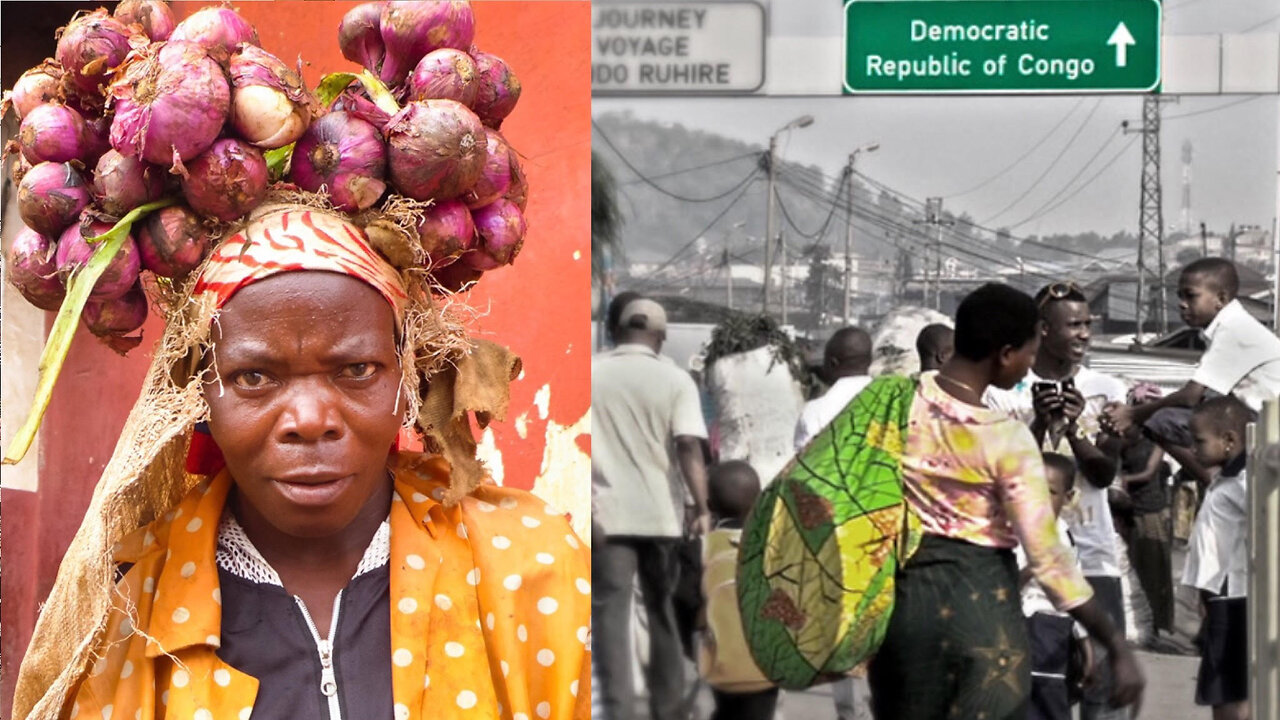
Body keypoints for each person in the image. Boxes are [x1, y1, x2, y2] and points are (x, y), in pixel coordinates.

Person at [13, 205, 591, 720]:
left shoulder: (531, 562)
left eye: (356, 370)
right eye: (255, 377)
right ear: (199, 395)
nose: (310, 419)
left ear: (408, 378)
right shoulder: (130, 613)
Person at [867, 283, 1144, 720]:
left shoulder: (892, 401)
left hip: (904, 613)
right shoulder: (1004, 436)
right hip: (982, 615)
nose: (1032, 365)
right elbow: (1047, 556)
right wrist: (1111, 642)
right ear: (1006, 353)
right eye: (1030, 354)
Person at [985, 280, 1130, 720]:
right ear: (1043, 329)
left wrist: (1070, 429)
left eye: (1088, 324)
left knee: (1101, 690)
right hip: (1022, 562)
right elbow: (1000, 475)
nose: (1085, 333)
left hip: (1093, 557)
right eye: (1074, 325)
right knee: (1029, 690)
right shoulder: (1003, 389)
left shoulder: (1106, 387)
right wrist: (1038, 423)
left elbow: (1104, 474)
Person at [592, 297, 711, 720]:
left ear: (617, 331)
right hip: (661, 518)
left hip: (607, 516)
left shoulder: (595, 373)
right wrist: (700, 504)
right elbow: (688, 446)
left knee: (610, 618)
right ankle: (669, 710)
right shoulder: (676, 380)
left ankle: (619, 710)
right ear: (660, 337)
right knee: (662, 613)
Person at [1103, 257, 1280, 482]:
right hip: (1252, 419)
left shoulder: (1233, 328)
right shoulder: (1228, 326)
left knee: (1160, 419)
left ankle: (1213, 481)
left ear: (1221, 298)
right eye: (1180, 296)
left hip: (1264, 422)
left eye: (1191, 295)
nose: (1182, 304)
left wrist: (1134, 414)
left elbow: (1190, 396)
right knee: (1180, 418)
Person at [1182, 396, 1252, 720]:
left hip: (1233, 595)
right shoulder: (1225, 478)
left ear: (1229, 441)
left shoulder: (1243, 481)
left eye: (1199, 441)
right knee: (1226, 685)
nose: (1193, 448)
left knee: (1229, 687)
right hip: (1220, 594)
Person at [697, 460, 779, 720]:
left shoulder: (700, 549)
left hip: (718, 665)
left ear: (710, 506)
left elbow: (685, 606)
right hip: (766, 669)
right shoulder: (776, 548)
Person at [1016, 452, 1093, 720]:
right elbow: (1006, 586)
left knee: (1052, 702)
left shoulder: (1065, 535)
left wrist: (1085, 644)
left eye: (1050, 492)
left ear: (1068, 497)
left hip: (1056, 632)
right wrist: (1033, 568)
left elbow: (1076, 593)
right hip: (1026, 626)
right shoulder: (1017, 531)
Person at [1103, 383, 1175, 640]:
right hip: (1129, 510)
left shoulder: (1157, 440)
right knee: (1135, 570)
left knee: (1156, 570)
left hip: (1151, 509)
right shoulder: (1125, 440)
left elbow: (1148, 472)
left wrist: (1125, 481)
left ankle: (1156, 625)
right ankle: (1141, 623)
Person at [794, 326, 874, 450]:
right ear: (870, 361)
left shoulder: (815, 412)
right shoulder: (895, 402)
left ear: (832, 363)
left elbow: (801, 464)